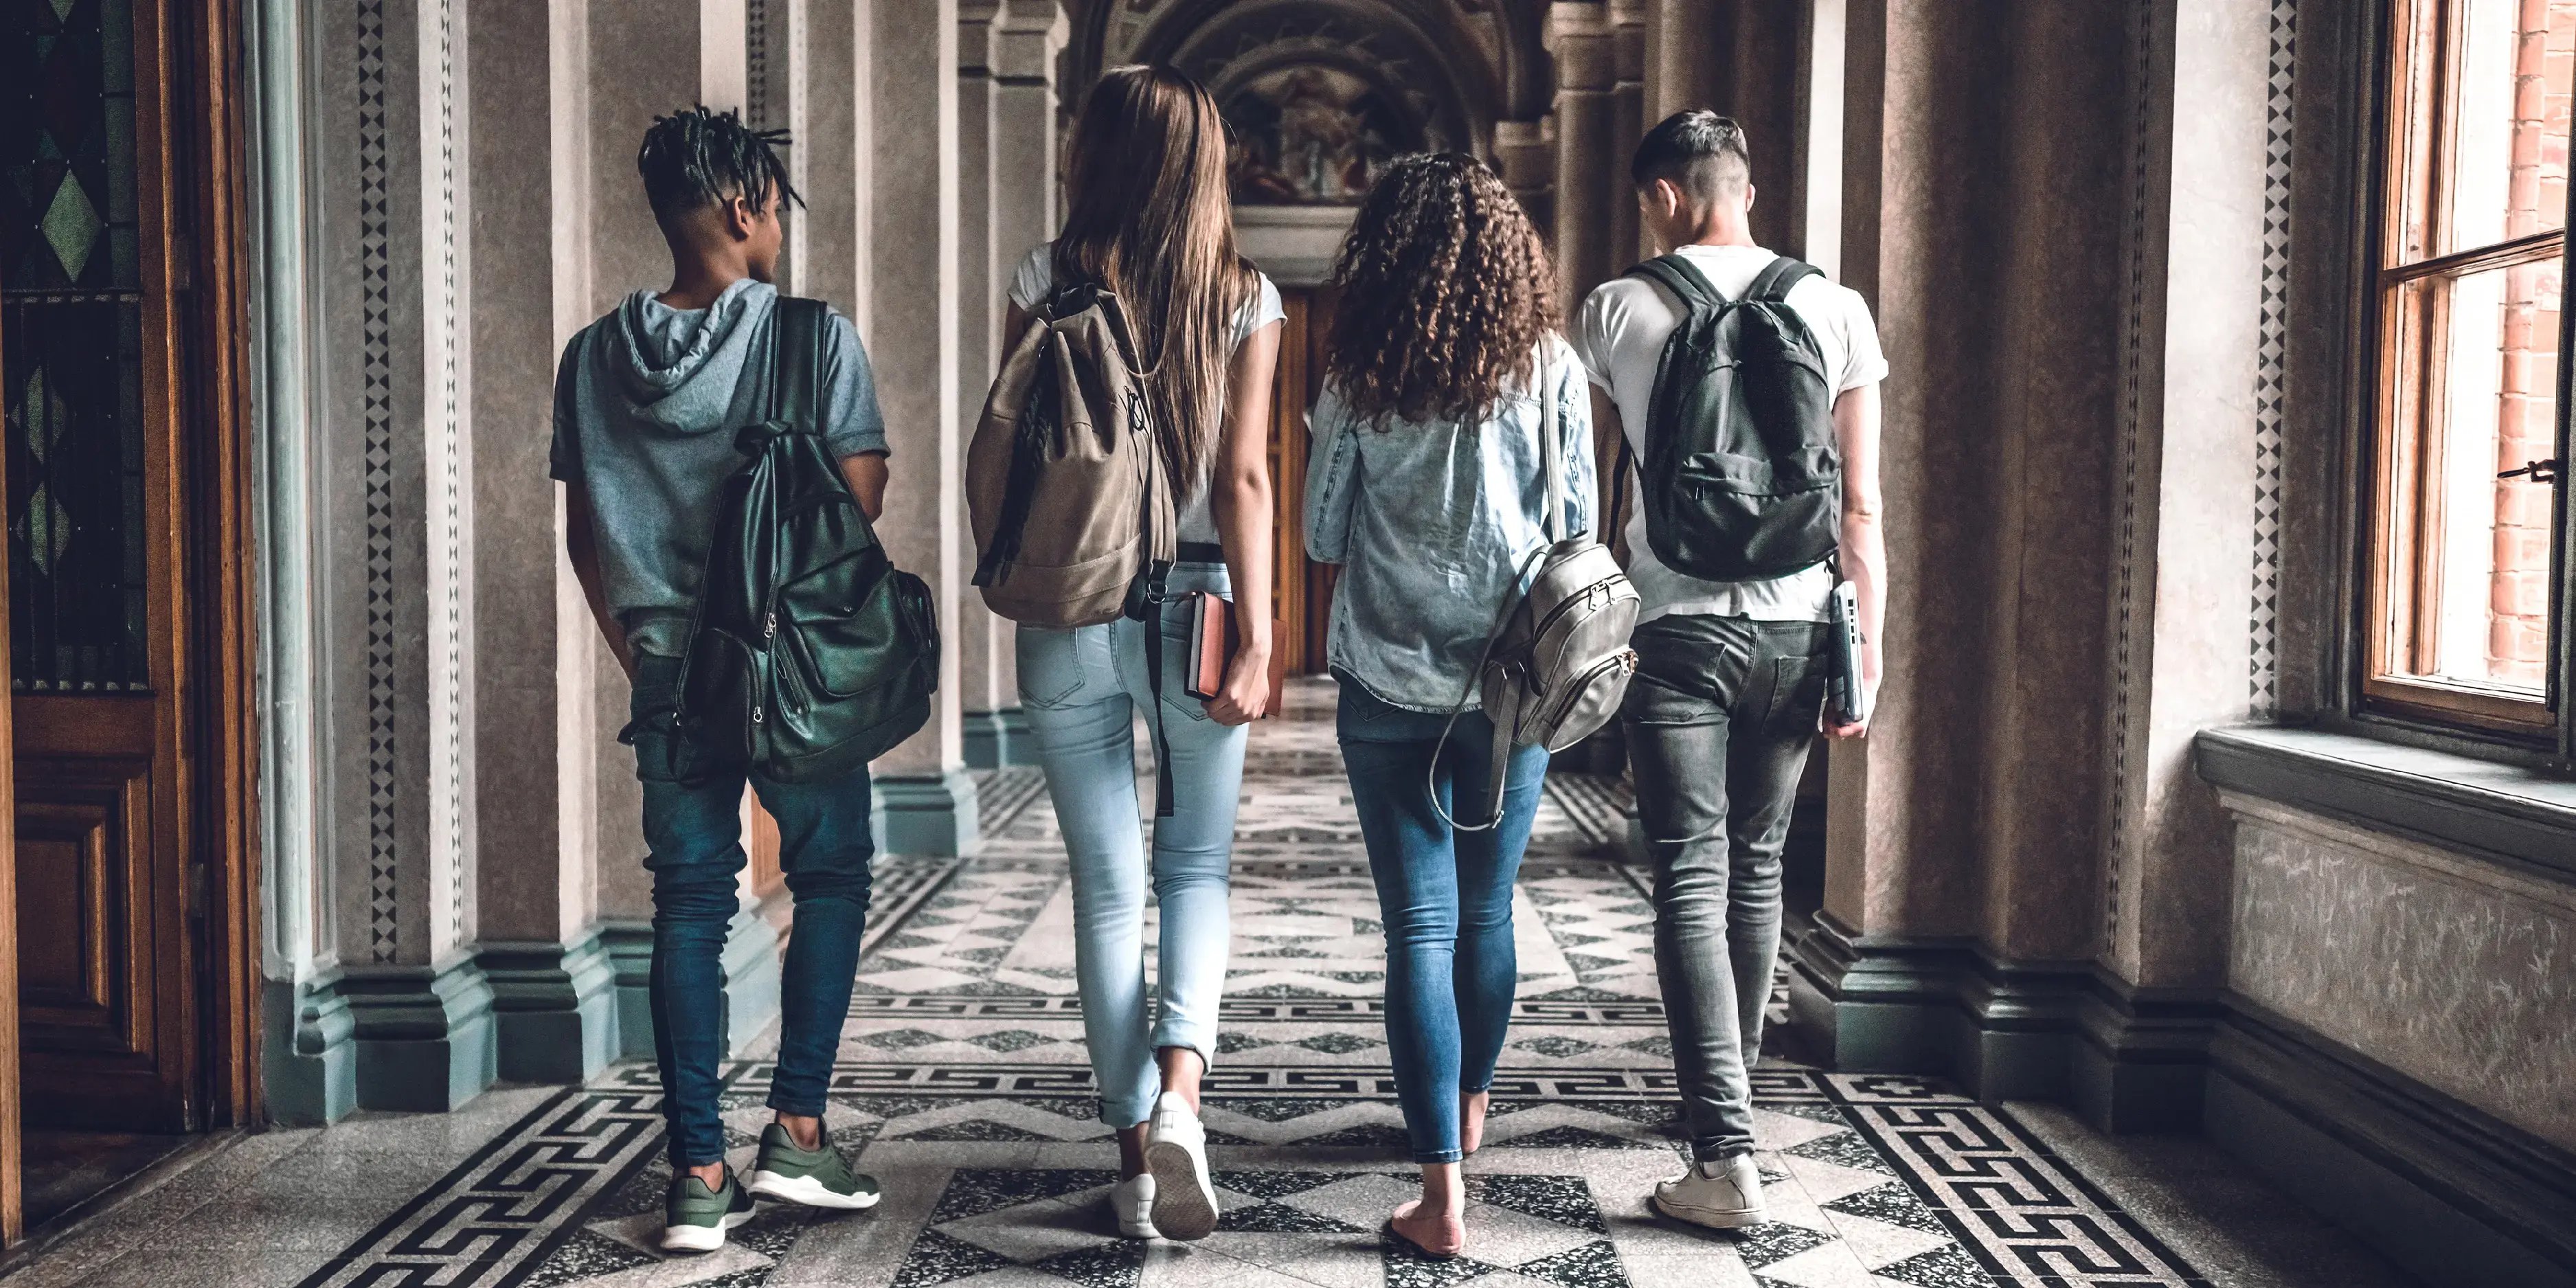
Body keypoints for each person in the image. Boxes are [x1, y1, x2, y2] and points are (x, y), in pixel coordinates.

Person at [554, 106, 890, 1254]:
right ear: (745, 207)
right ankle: (796, 1132)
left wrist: (643, 653)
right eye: (776, 210)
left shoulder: (592, 357)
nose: (780, 231)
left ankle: (697, 1176)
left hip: (667, 668)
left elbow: (585, 537)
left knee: (690, 906)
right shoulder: (811, 336)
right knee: (830, 873)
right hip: (794, 666)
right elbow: (857, 505)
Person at [1573, 111, 1888, 1230]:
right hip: (1801, 625)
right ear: (1746, 191)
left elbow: (1598, 479)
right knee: (1757, 869)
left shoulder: (1617, 308)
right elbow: (1861, 506)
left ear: (1663, 195)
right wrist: (1864, 652)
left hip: (1675, 627)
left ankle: (1723, 1147)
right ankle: (1729, 1103)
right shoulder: (1835, 308)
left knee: (1688, 878)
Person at [999, 65, 1282, 1243]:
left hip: (1068, 603)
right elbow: (1245, 478)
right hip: (1199, 604)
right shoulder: (1244, 295)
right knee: (1195, 870)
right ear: (1204, 164)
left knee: (1108, 889)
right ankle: (1182, 1101)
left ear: (1097, 155)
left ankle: (1131, 1163)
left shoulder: (1041, 279)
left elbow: (1017, 446)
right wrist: (1263, 634)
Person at [1304, 153, 1592, 1259]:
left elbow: (1321, 534)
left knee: (1417, 928)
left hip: (1386, 676)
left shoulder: (1358, 373)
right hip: (1515, 682)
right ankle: (1469, 1104)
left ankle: (1440, 1194)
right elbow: (1575, 526)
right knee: (1485, 911)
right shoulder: (1549, 364)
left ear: (1382, 256)